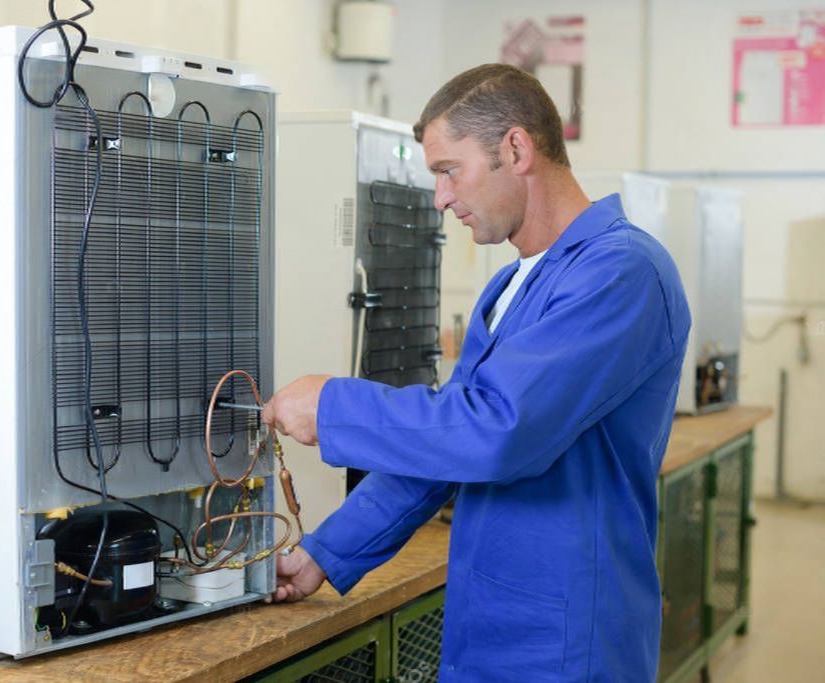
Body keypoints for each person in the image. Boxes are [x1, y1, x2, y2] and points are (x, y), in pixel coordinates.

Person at [261, 63, 691, 682]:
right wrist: (325, 554)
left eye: (448, 170)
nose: (440, 198)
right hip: (490, 621)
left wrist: (333, 406)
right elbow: (445, 450)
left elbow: (496, 430)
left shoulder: (621, 272)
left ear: (515, 149)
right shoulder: (511, 285)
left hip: (569, 640)